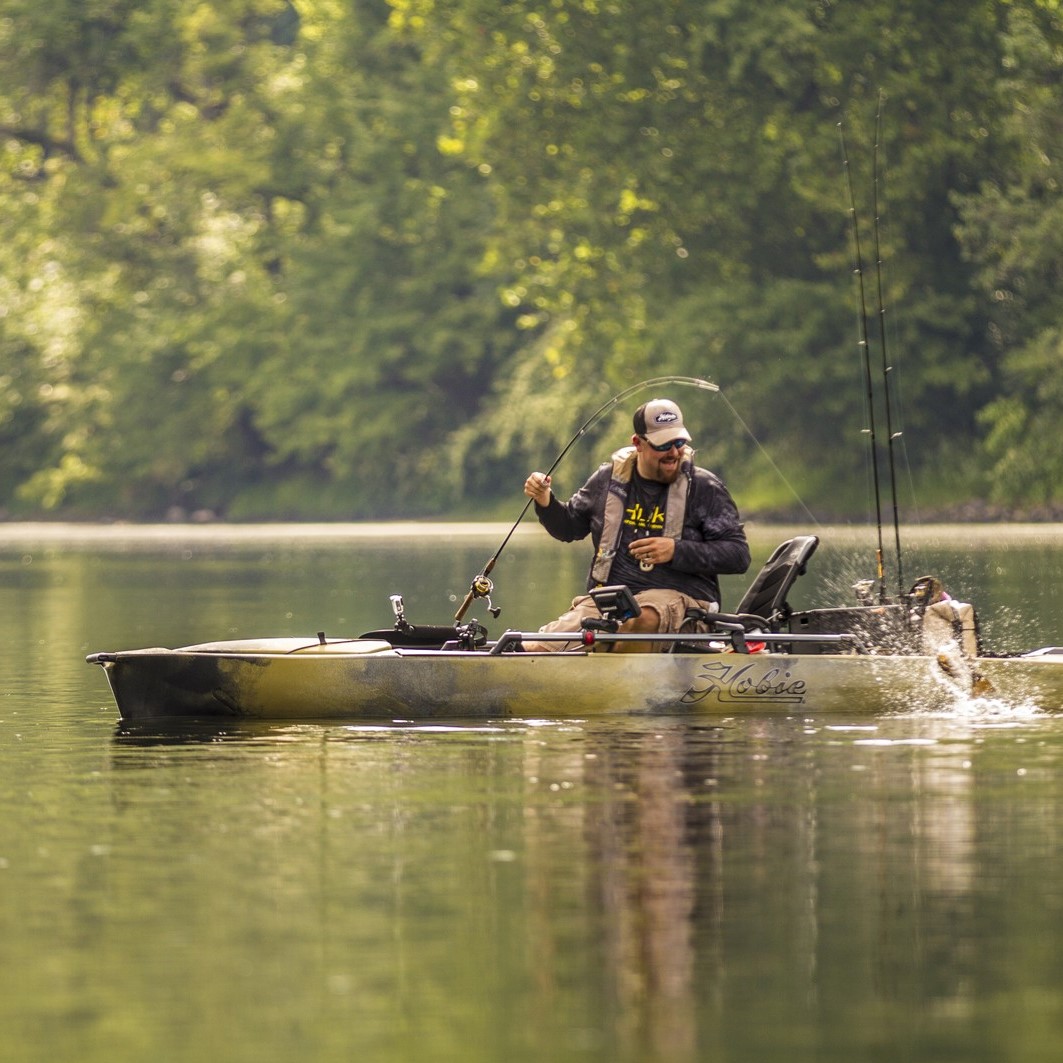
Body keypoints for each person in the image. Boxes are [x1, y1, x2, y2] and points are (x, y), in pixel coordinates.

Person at [523, 397, 751, 651]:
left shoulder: (704, 487)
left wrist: (676, 550)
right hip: (609, 605)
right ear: (638, 443)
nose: (674, 452)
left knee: (642, 618)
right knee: (532, 650)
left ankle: (609, 683)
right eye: (664, 445)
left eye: (680, 443)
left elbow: (738, 555)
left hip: (684, 607)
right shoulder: (606, 480)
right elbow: (568, 528)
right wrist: (545, 501)